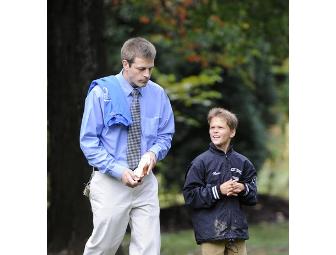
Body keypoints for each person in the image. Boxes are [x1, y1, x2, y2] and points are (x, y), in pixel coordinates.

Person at [80, 37, 175, 255]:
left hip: (146, 182)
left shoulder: (157, 94)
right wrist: (118, 170)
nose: (147, 75)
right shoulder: (101, 93)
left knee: (149, 249)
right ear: (125, 64)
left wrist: (153, 153)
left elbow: (165, 135)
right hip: (111, 181)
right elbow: (89, 141)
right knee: (104, 248)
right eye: (141, 69)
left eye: (150, 69)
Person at [183, 107, 257, 255]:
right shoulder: (200, 162)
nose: (215, 131)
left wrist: (243, 188)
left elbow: (253, 196)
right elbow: (190, 196)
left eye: (220, 127)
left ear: (232, 132)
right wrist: (218, 190)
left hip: (237, 234)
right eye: (212, 127)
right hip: (211, 234)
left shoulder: (243, 162)